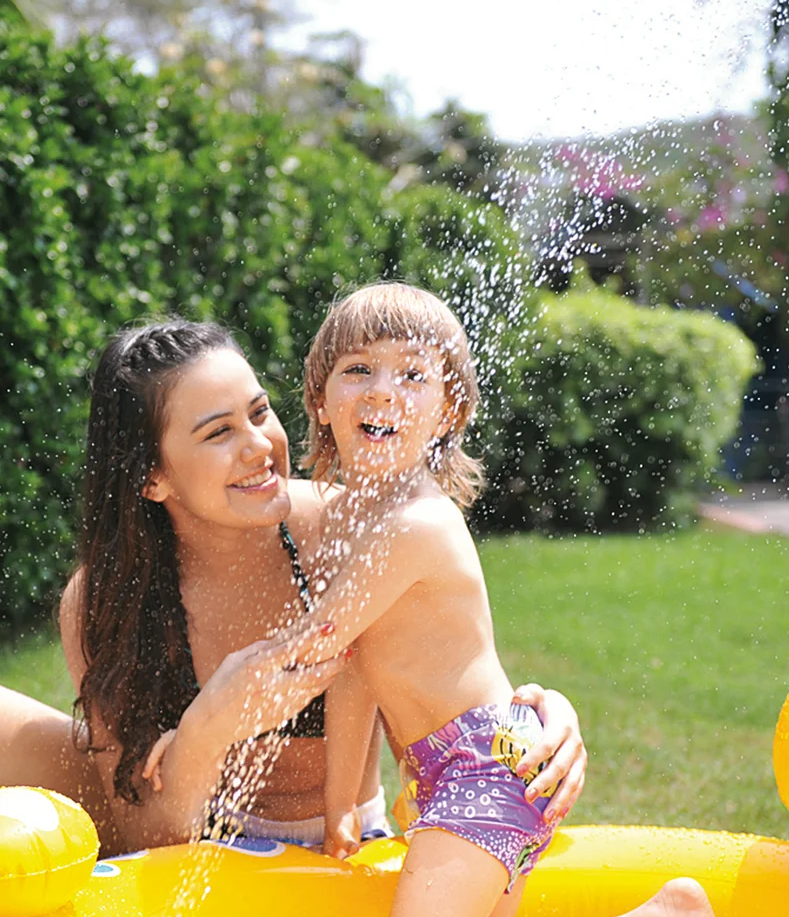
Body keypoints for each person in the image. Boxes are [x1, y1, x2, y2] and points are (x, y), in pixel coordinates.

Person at [260, 284, 781, 917]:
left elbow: (321, 642)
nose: (383, 391)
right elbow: (354, 669)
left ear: (449, 412)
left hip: (485, 768)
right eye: (358, 369)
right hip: (468, 768)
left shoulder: (417, 522)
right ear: (320, 398)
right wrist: (342, 805)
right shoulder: (354, 518)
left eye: (413, 375)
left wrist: (223, 706)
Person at [3, 318, 586, 856]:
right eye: (219, 433)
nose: (260, 445)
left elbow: (447, 675)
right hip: (200, 848)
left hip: (343, 845)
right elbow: (143, 837)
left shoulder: (343, 530)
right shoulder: (107, 601)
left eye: (259, 413)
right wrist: (208, 728)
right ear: (153, 477)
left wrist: (534, 717)